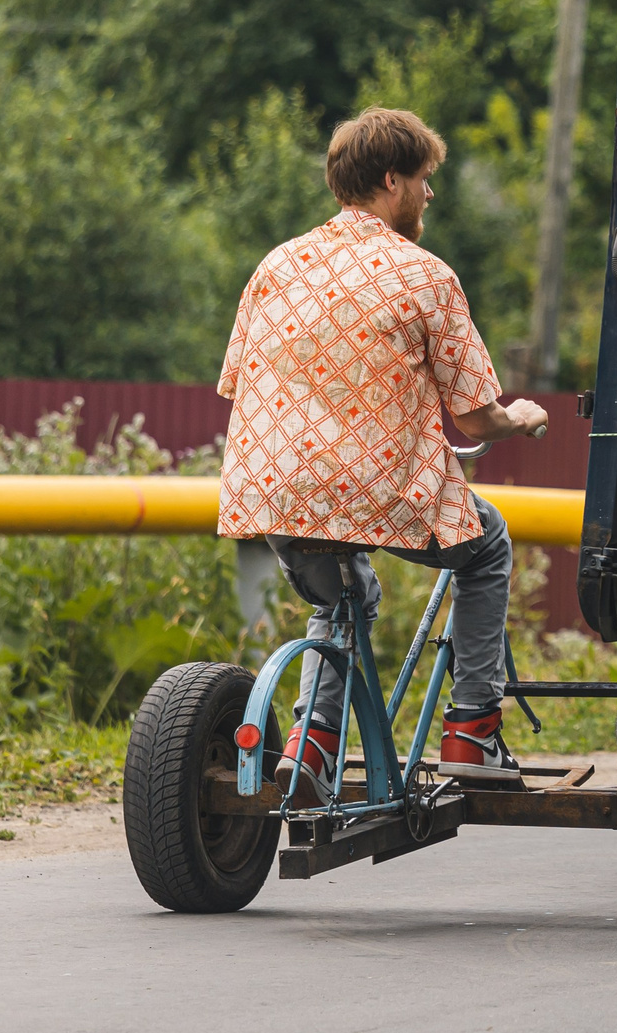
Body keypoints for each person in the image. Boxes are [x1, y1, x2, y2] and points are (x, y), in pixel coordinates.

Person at [216, 107, 550, 793]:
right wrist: (517, 416)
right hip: (376, 491)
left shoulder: (277, 264)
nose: (431, 194)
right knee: (486, 544)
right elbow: (476, 417)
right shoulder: (426, 276)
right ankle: (472, 732)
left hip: (270, 489)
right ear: (392, 179)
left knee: (343, 594)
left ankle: (310, 744)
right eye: (425, 179)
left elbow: (236, 380)